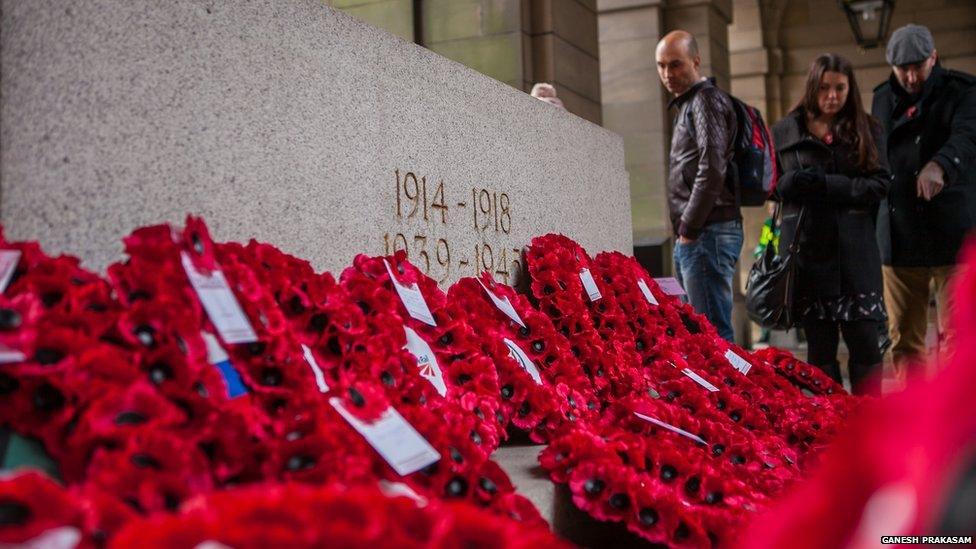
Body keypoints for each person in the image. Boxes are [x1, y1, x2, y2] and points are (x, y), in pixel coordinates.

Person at [772, 53, 890, 395]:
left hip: (857, 254)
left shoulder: (868, 128)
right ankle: (832, 429)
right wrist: (788, 185)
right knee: (820, 354)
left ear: (850, 88)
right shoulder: (786, 131)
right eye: (824, 88)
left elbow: (881, 185)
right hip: (810, 253)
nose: (832, 96)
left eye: (839, 88)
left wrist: (829, 184)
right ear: (813, 88)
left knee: (866, 347)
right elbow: (772, 186)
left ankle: (870, 427)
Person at [872, 24, 976, 379]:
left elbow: (967, 138)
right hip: (900, 234)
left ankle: (958, 425)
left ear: (934, 58)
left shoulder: (962, 91)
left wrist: (940, 166)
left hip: (952, 231)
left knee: (960, 337)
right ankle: (913, 421)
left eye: (919, 66)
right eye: (904, 69)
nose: (912, 77)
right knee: (904, 340)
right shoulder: (881, 97)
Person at [656, 30, 742, 342]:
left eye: (675, 64)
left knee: (712, 337)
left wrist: (689, 229)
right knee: (703, 336)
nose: (668, 74)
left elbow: (712, 166)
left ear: (696, 61)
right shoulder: (690, 104)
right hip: (699, 235)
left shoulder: (705, 101)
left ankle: (727, 393)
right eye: (661, 66)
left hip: (706, 233)